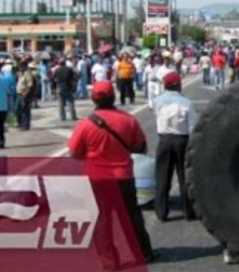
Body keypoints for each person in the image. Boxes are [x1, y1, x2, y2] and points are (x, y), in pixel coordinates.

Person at [68, 81, 154, 268]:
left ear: (93, 99)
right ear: (113, 97)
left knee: (101, 220)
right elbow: (140, 147)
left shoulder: (85, 124)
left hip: (96, 178)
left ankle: (109, 261)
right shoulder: (128, 120)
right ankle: (143, 252)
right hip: (123, 175)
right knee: (131, 217)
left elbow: (74, 152)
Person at [152, 72, 197, 222]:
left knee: (162, 176)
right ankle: (189, 211)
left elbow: (155, 112)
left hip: (164, 139)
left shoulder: (157, 101)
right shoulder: (186, 102)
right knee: (185, 177)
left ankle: (161, 211)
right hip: (182, 140)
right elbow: (192, 127)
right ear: (178, 85)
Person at [15, 63, 36, 131]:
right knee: (17, 109)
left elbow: (30, 85)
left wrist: (26, 93)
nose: (19, 68)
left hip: (24, 94)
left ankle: (25, 125)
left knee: (25, 110)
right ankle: (20, 123)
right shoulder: (22, 73)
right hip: (19, 94)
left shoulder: (27, 74)